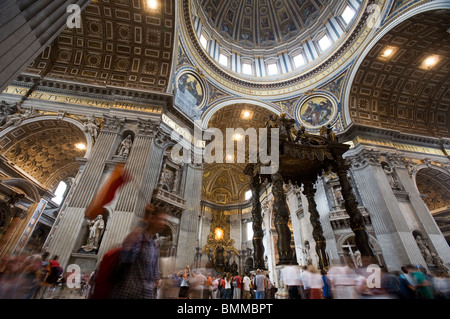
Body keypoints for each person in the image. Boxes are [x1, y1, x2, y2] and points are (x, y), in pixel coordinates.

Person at [110, 203, 168, 299]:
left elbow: (154, 277)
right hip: (128, 293)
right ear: (152, 219)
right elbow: (125, 257)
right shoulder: (138, 239)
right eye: (163, 219)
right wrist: (144, 222)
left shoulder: (154, 246)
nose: (165, 223)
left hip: (146, 294)